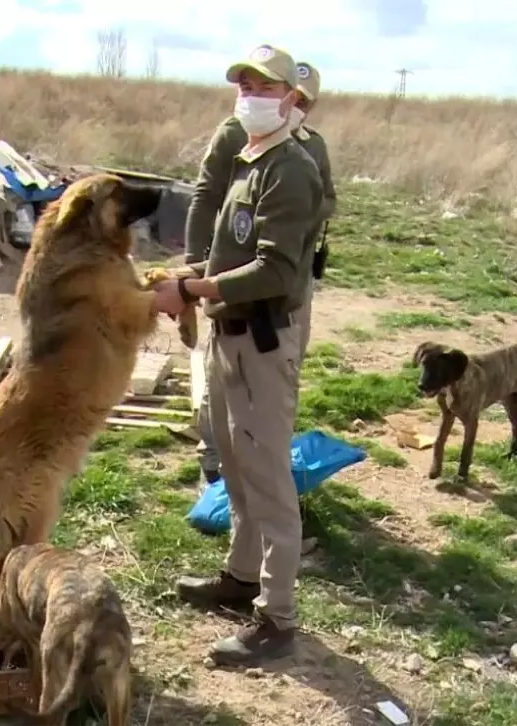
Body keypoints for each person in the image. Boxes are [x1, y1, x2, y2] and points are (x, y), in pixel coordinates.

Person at [150, 44, 324, 666]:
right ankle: (242, 578)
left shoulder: (291, 168)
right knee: (236, 467)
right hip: (231, 333)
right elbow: (231, 254)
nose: (249, 93)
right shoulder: (252, 158)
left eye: (263, 85)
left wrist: (191, 288)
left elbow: (274, 270)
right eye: (243, 82)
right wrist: (187, 277)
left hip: (261, 340)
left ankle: (277, 619)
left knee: (270, 480)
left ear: (290, 97)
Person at [186, 60, 338, 485]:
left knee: (279, 367)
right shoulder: (235, 135)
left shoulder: (310, 149)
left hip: (288, 281)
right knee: (220, 372)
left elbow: (328, 198)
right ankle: (215, 460)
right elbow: (205, 197)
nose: (296, 108)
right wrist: (195, 267)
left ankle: (264, 461)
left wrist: (294, 213)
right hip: (233, 279)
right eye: (253, 89)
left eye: (305, 102)